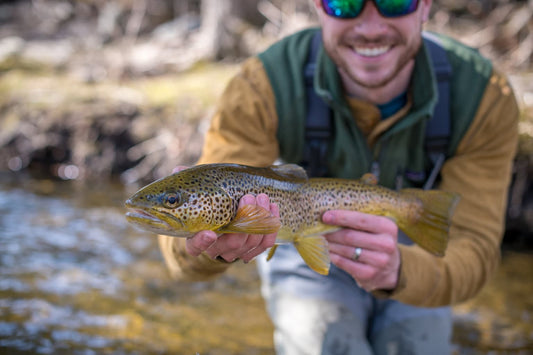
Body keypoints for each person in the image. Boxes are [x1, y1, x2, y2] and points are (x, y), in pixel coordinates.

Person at [158, 0, 519, 354]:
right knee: (325, 342)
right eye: (345, 4)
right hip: (295, 240)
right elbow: (181, 255)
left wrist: (399, 270)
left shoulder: (483, 96)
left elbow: (474, 249)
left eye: (394, 2)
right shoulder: (262, 85)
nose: (371, 26)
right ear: (318, 6)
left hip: (416, 253)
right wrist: (206, 249)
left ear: (425, 6)